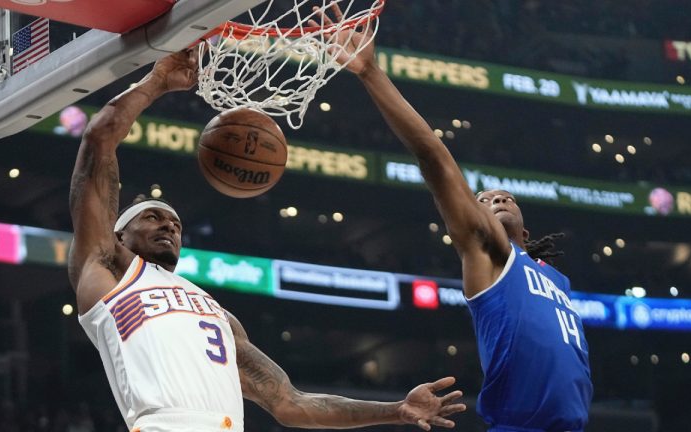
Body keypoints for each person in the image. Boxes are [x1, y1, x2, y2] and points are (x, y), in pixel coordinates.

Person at [67, 47, 466, 432]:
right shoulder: (103, 268)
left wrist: (397, 409)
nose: (169, 226)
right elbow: (99, 141)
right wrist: (157, 81)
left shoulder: (217, 314)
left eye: (175, 223)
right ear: (119, 233)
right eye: (153, 217)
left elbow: (290, 403)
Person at [317, 5, 593, 432]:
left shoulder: (556, 280)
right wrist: (372, 73)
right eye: (483, 199)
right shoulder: (491, 253)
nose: (496, 197)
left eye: (506, 197)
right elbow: (435, 159)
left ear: (528, 230)